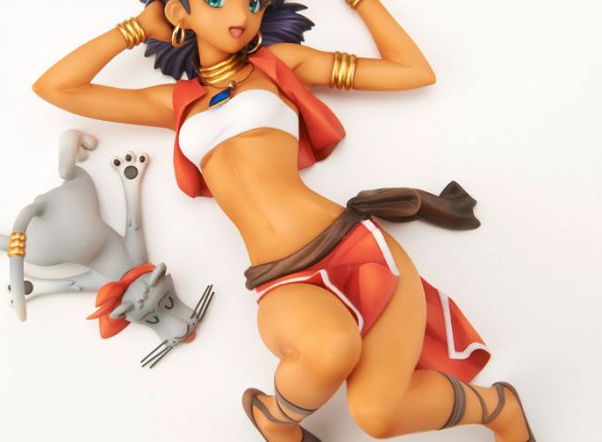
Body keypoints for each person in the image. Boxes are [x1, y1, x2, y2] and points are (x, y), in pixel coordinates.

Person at [32, 0, 535, 440]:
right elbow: (56, 87)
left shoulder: (281, 66)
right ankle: (276, 417)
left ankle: (500, 407)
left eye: (253, 3)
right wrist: (139, 27)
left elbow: (413, 71)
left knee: (380, 416)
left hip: (353, 246)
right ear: (180, 11)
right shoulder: (174, 104)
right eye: (216, 1)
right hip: (279, 275)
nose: (241, 14)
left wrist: (360, 1)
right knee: (329, 348)